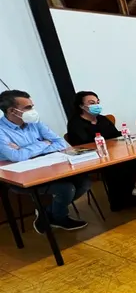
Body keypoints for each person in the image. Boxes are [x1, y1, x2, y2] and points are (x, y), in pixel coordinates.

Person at [0, 90, 89, 231]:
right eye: (28, 108)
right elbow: (16, 157)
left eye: (32, 106)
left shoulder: (35, 123)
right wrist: (43, 143)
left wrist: (26, 150)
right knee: (66, 189)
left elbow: (60, 143)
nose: (33, 111)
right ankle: (60, 218)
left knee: (84, 182)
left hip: (48, 167)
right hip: (21, 176)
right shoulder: (1, 130)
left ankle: (47, 213)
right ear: (12, 110)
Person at [67, 91, 136, 210]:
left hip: (114, 153)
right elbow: (82, 144)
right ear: (81, 106)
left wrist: (129, 135)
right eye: (92, 103)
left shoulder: (102, 119)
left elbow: (114, 135)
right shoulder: (75, 123)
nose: (96, 105)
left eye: (97, 102)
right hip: (95, 158)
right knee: (122, 165)